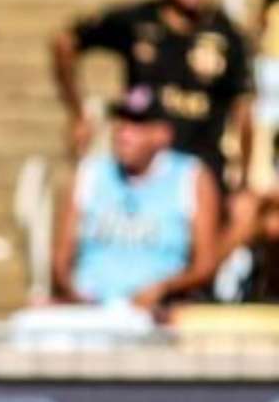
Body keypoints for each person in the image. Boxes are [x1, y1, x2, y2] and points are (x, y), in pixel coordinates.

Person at [51, 0, 258, 268]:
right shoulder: (137, 22)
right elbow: (65, 42)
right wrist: (77, 111)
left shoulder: (226, 34)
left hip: (202, 165)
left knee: (229, 230)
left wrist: (243, 178)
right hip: (140, 169)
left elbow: (243, 110)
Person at [53, 86, 218, 308]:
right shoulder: (90, 173)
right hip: (91, 307)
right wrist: (73, 294)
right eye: (121, 122)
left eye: (136, 125)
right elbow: (60, 261)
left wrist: (164, 289)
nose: (124, 134)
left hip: (155, 312)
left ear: (162, 134)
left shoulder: (190, 176)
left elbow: (205, 266)